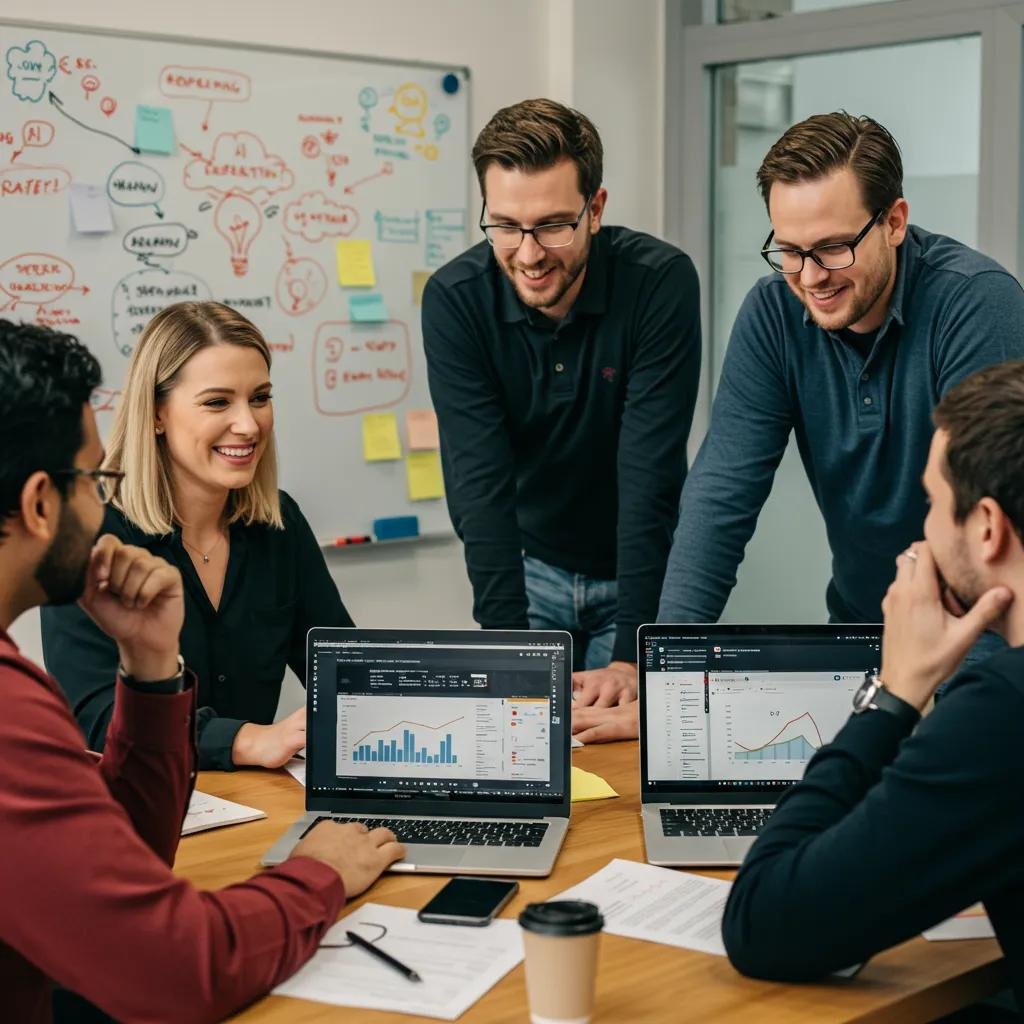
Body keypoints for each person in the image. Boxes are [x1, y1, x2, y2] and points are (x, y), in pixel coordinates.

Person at [575, 111, 1024, 743]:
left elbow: (986, 532)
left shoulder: (976, 304)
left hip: (984, 645)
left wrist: (947, 706)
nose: (810, 277)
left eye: (834, 247)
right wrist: (666, 681)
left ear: (894, 222)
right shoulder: (773, 314)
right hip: (864, 632)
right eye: (789, 250)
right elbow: (721, 496)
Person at [0, 320, 404, 1022]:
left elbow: (126, 846)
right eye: (94, 480)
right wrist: (322, 872)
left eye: (261, 397)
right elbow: (182, 969)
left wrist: (153, 671)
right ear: (41, 503)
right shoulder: (10, 711)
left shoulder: (274, 524)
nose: (102, 505)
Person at [721, 358, 1024, 1007]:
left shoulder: (1005, 710)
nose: (924, 532)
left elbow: (762, 923)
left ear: (989, 527)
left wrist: (895, 692)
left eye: (934, 504)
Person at [422, 98, 701, 701]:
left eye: (552, 225)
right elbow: (478, 484)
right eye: (504, 226)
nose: (528, 254)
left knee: (625, 762)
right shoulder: (456, 300)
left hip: (639, 572)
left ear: (595, 208)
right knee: (525, 752)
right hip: (530, 569)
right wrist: (504, 647)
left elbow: (649, 473)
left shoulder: (658, 283)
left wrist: (632, 652)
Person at [41, 301, 354, 771]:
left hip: (259, 804)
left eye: (260, 398)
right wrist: (244, 740)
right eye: (216, 402)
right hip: (141, 807)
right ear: (157, 414)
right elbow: (97, 717)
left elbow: (345, 669)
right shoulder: (89, 533)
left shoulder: (279, 524)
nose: (248, 424)